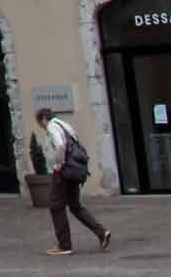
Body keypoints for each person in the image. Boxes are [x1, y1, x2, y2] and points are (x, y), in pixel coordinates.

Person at [36, 106, 112, 256]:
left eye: (40, 122)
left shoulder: (52, 126)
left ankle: (64, 246)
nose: (41, 126)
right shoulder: (65, 125)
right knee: (75, 206)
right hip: (75, 171)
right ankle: (102, 232)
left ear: (43, 119)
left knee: (56, 206)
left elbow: (60, 146)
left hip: (64, 172)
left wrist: (58, 166)